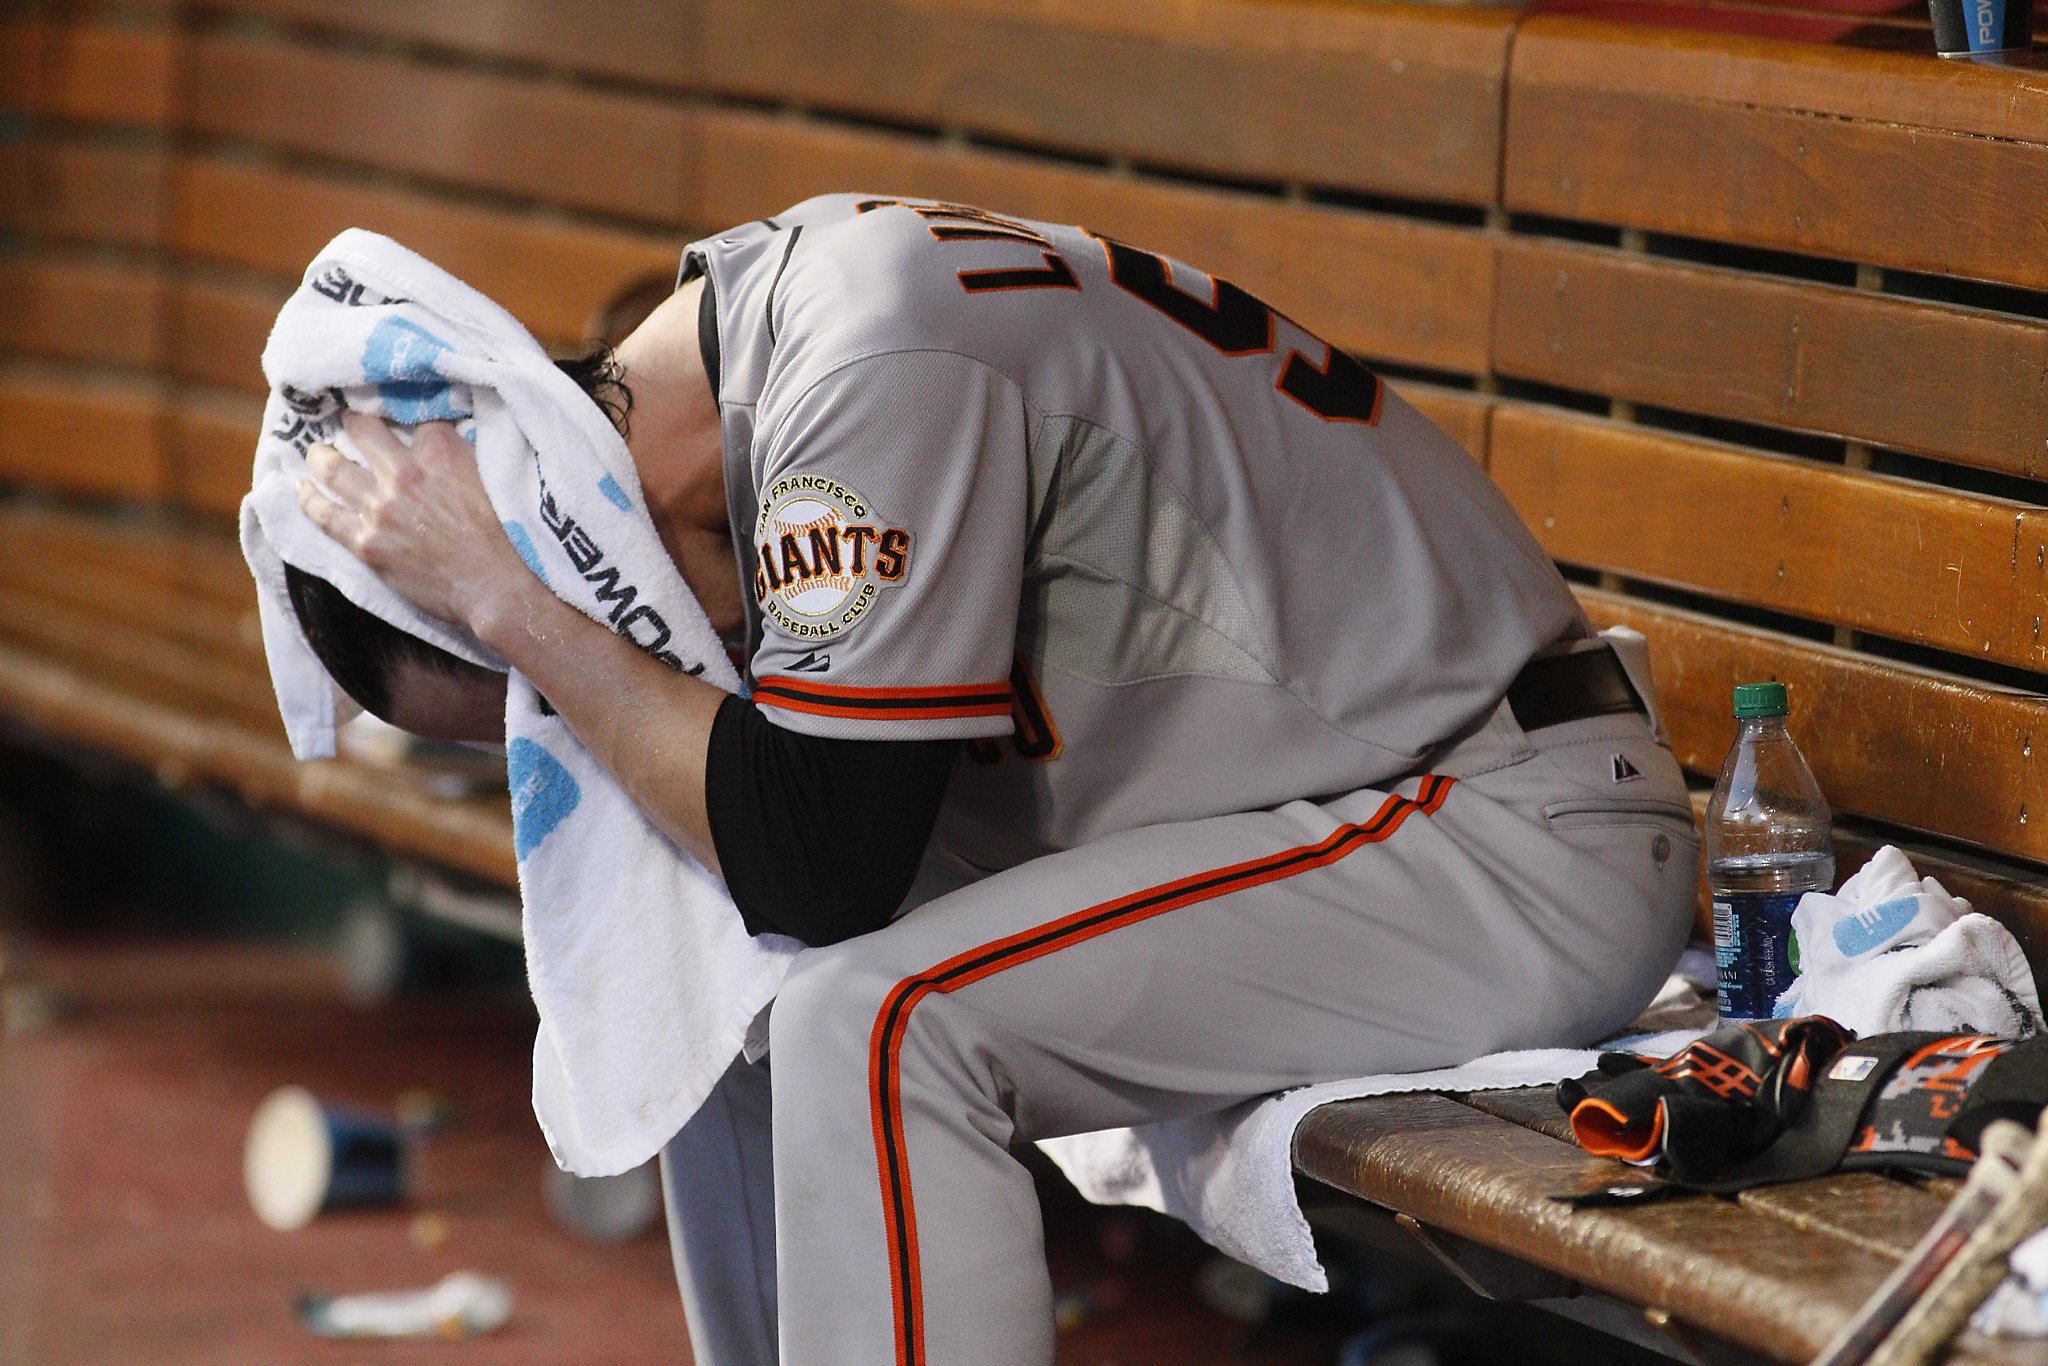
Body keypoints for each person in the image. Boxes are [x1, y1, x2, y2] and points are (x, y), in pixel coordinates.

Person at [289, 194, 1699, 1366]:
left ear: (581, 535)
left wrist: (517, 614)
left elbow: (819, 859)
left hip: (1504, 829)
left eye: (553, 692)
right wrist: (536, 621)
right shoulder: (774, 350)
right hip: (1353, 815)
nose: (587, 708)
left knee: (883, 1020)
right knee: (723, 971)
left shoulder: (855, 360)